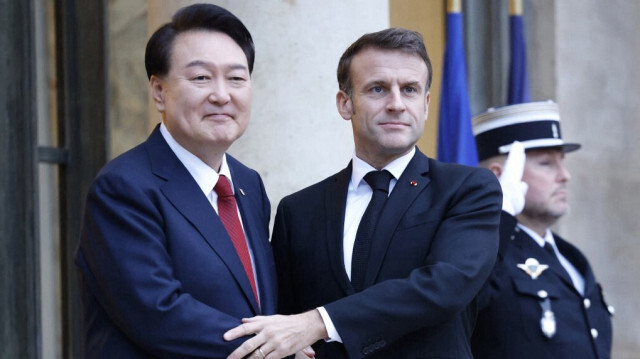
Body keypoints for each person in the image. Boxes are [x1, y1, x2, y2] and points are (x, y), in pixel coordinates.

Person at [224, 28, 503, 359]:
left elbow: (444, 287)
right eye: (378, 89)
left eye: (410, 90)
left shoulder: (467, 188)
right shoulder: (297, 211)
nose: (396, 104)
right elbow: (283, 317)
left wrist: (318, 323)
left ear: (426, 105)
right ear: (345, 103)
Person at [74, 4, 278, 358]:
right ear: (158, 91)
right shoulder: (123, 188)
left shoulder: (248, 184)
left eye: (236, 78)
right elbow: (158, 313)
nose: (221, 94)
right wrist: (274, 347)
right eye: (201, 78)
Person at [470, 101, 614, 359]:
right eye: (546, 163)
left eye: (562, 162)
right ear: (499, 176)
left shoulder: (570, 257)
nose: (565, 175)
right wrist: (499, 214)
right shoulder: (484, 255)